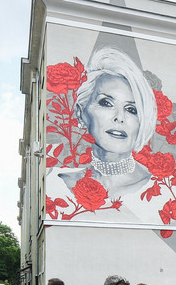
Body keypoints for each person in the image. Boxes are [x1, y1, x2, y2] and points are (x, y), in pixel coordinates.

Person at [57, 47, 157, 197]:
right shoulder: (57, 185)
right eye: (106, 103)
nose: (120, 117)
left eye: (131, 109)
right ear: (80, 113)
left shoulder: (159, 190)